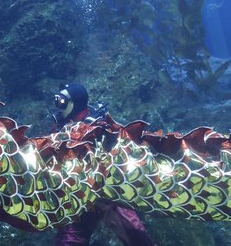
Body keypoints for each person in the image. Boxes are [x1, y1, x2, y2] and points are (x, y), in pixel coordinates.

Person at [52, 83, 156, 246]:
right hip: (79, 194)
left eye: (62, 101)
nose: (58, 105)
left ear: (75, 103)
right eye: (57, 100)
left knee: (135, 234)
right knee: (69, 240)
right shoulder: (60, 127)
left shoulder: (101, 125)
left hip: (110, 191)